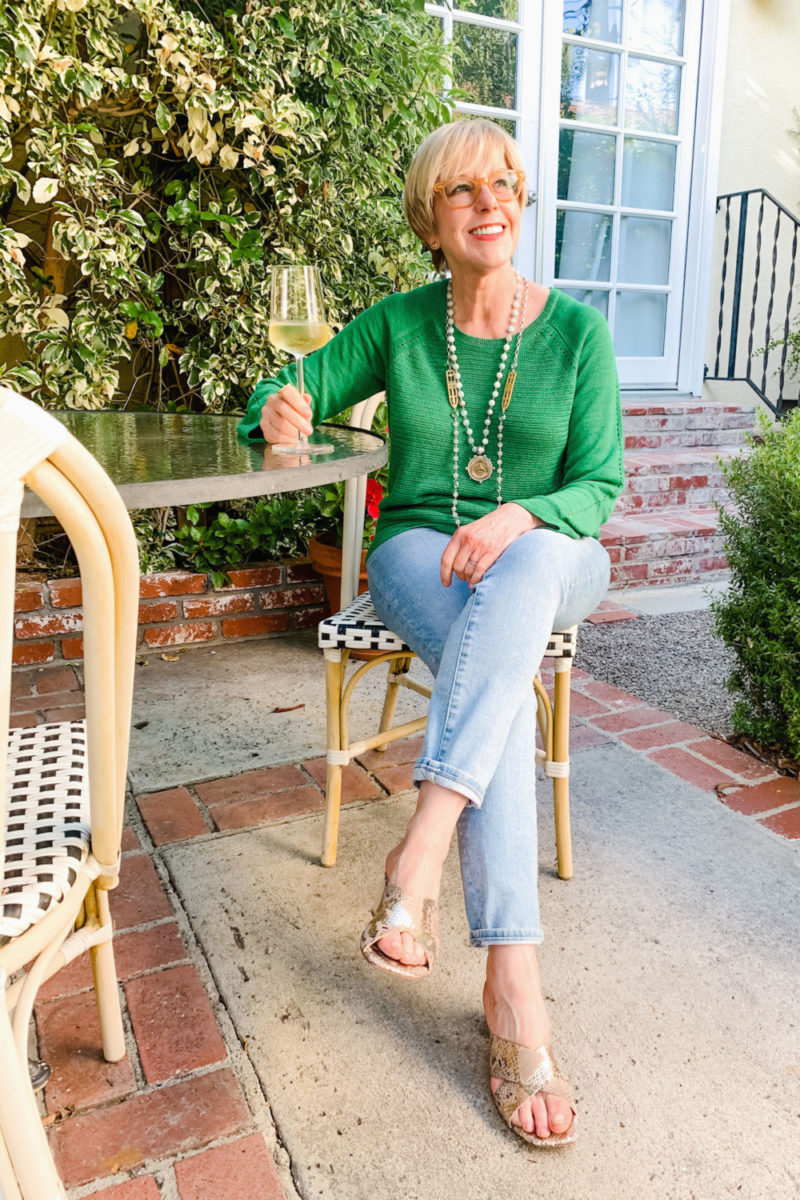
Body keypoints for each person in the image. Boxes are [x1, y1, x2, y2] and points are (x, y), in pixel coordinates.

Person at [238, 118, 624, 1147]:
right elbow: (284, 397)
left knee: (530, 566)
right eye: (462, 190)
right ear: (430, 218)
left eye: (502, 182)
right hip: (418, 551)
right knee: (488, 671)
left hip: (551, 557)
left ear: (521, 200)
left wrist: (517, 517)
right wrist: (276, 414)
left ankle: (415, 860)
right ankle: (511, 988)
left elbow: (599, 483)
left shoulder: (576, 334)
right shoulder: (401, 323)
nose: (488, 201)